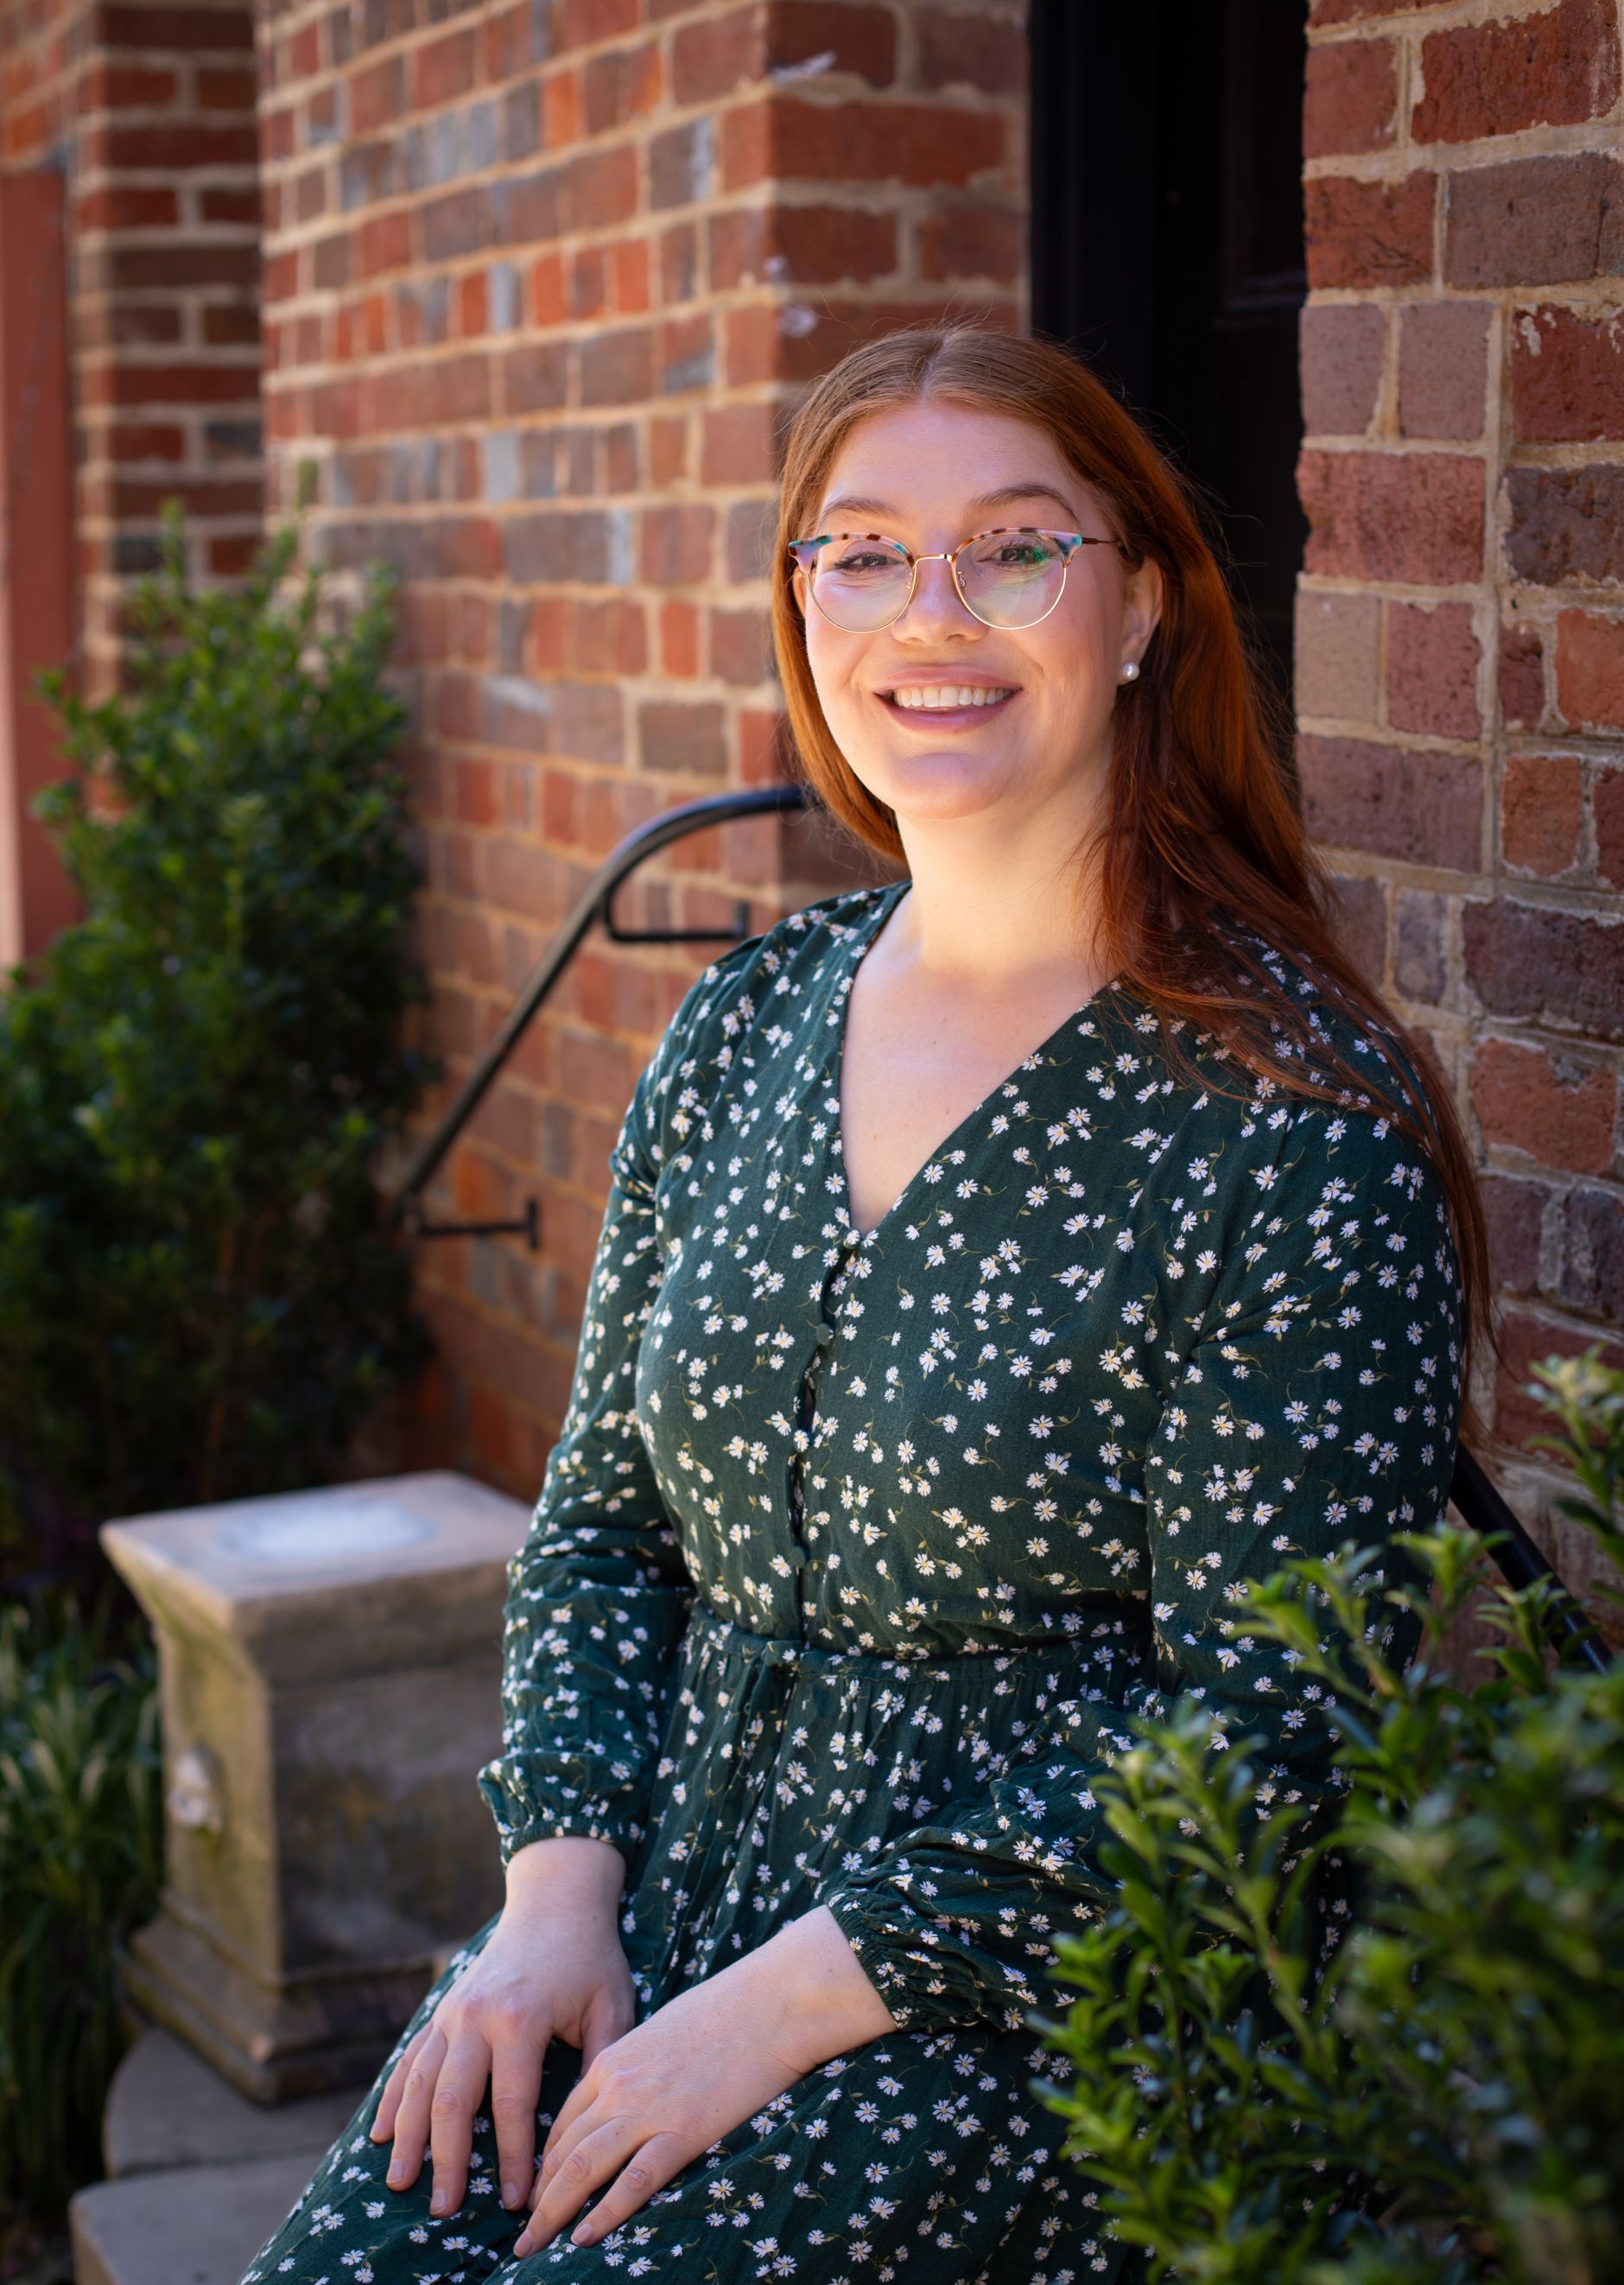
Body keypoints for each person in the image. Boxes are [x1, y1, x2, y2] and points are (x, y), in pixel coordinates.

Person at [239, 326, 1484, 2285]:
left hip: (1028, 1998)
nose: (933, 613)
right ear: (801, 600)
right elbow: (606, 1524)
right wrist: (555, 1890)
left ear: (1144, 605)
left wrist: (775, 2008)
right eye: (864, 551)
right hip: (658, 1904)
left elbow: (1277, 1724)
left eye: (1013, 548)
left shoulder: (1288, 1119)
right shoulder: (742, 1026)